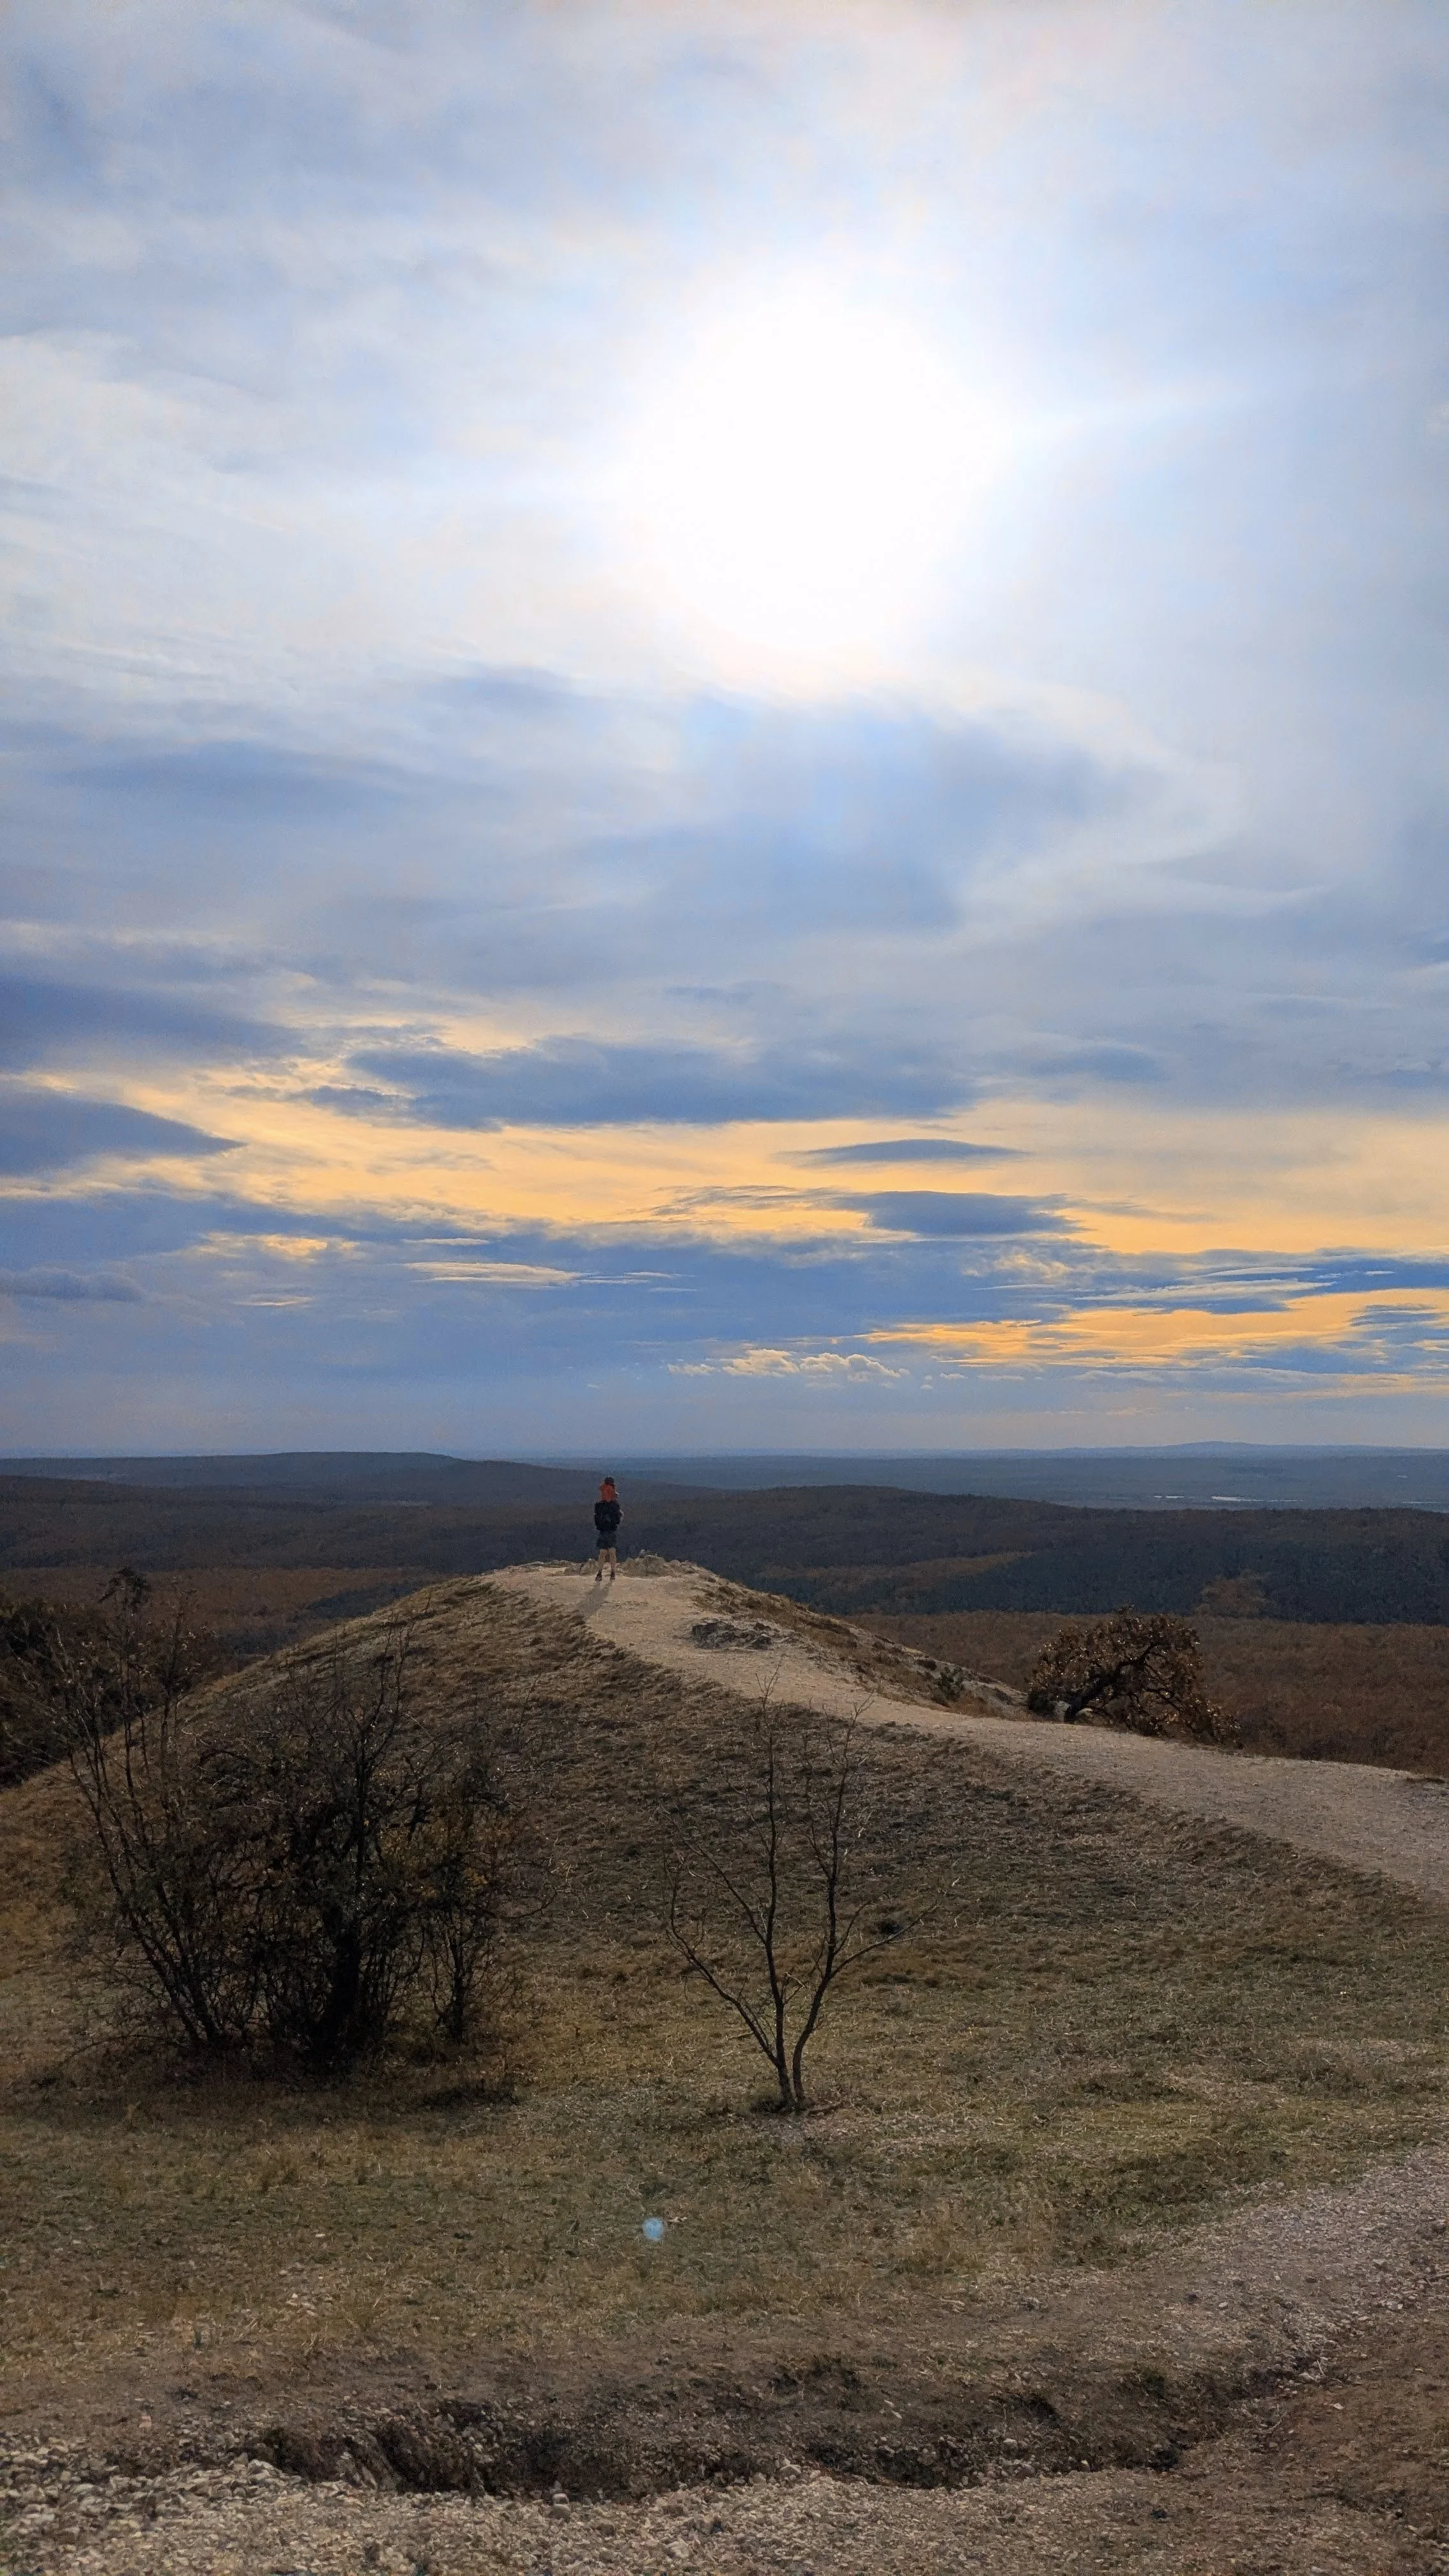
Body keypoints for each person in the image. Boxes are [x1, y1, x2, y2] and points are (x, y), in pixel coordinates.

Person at [592, 1476, 622, 1582]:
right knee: (612, 1552)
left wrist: (601, 1525)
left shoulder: (599, 1506)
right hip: (611, 1530)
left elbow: (596, 1520)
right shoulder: (615, 1505)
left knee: (602, 1553)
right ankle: (613, 1572)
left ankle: (600, 1573)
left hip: (603, 1530)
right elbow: (618, 1520)